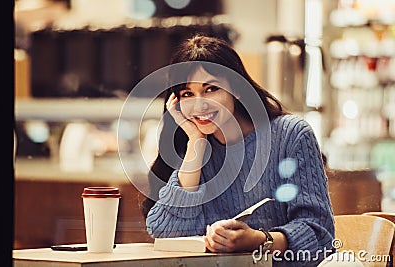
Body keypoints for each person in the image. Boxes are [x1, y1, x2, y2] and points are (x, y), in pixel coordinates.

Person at [141, 34, 335, 266]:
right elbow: (168, 234)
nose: (200, 104)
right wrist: (195, 143)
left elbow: (320, 235)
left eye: (211, 89)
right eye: (187, 94)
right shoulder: (192, 145)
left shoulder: (291, 135)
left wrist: (258, 240)